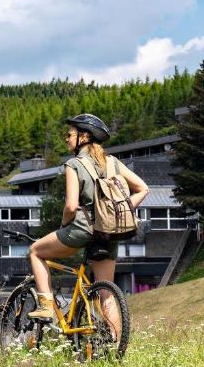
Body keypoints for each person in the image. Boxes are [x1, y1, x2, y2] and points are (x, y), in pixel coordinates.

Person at [26, 114, 150, 336]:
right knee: (107, 292)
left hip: (82, 229)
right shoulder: (113, 162)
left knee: (35, 251)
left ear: (84, 137)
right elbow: (143, 188)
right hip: (109, 232)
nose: (66, 139)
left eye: (69, 134)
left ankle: (45, 307)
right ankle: (114, 345)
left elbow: (71, 206)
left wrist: (64, 225)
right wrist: (119, 210)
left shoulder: (73, 164)